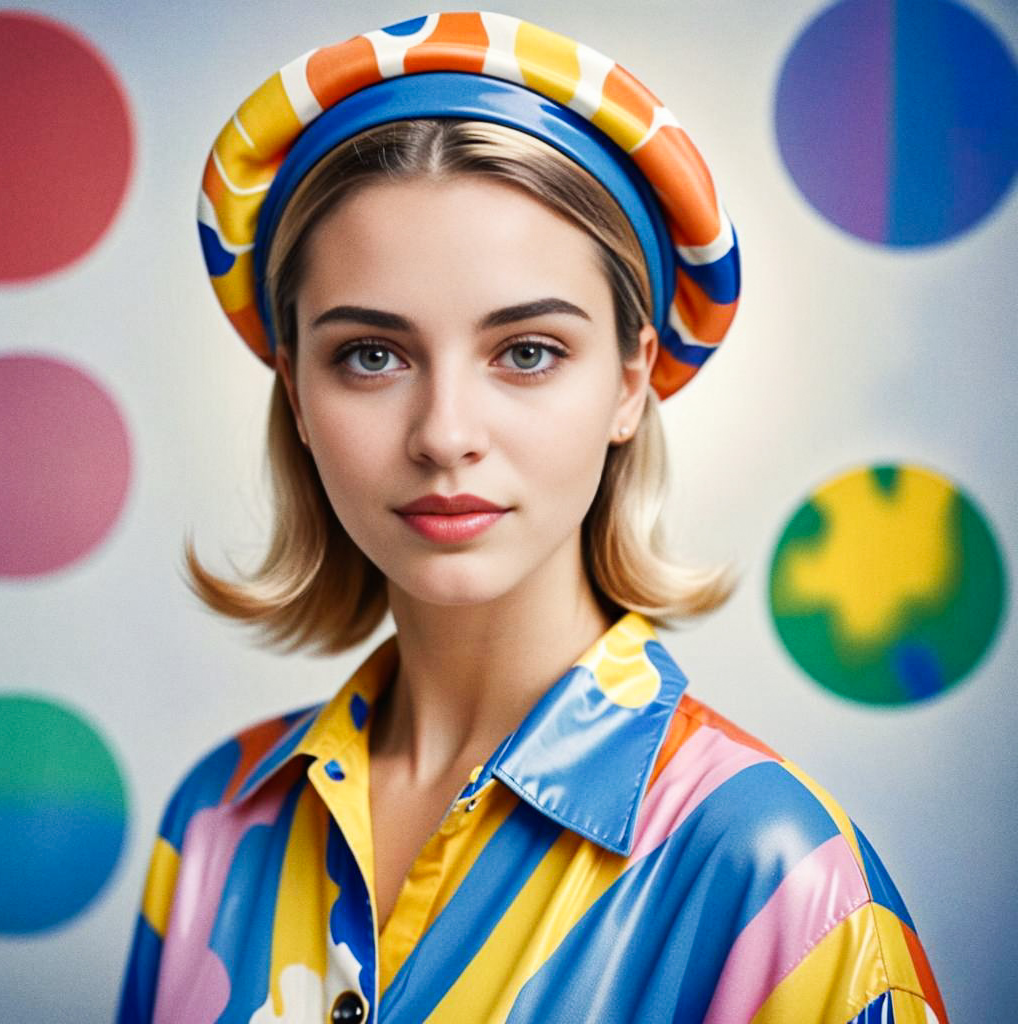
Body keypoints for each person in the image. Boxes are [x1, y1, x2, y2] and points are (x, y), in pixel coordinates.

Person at [118, 11, 947, 1024]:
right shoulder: (214, 822)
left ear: (630, 379)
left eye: (527, 351)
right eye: (371, 354)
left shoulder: (778, 879)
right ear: (294, 389)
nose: (445, 433)